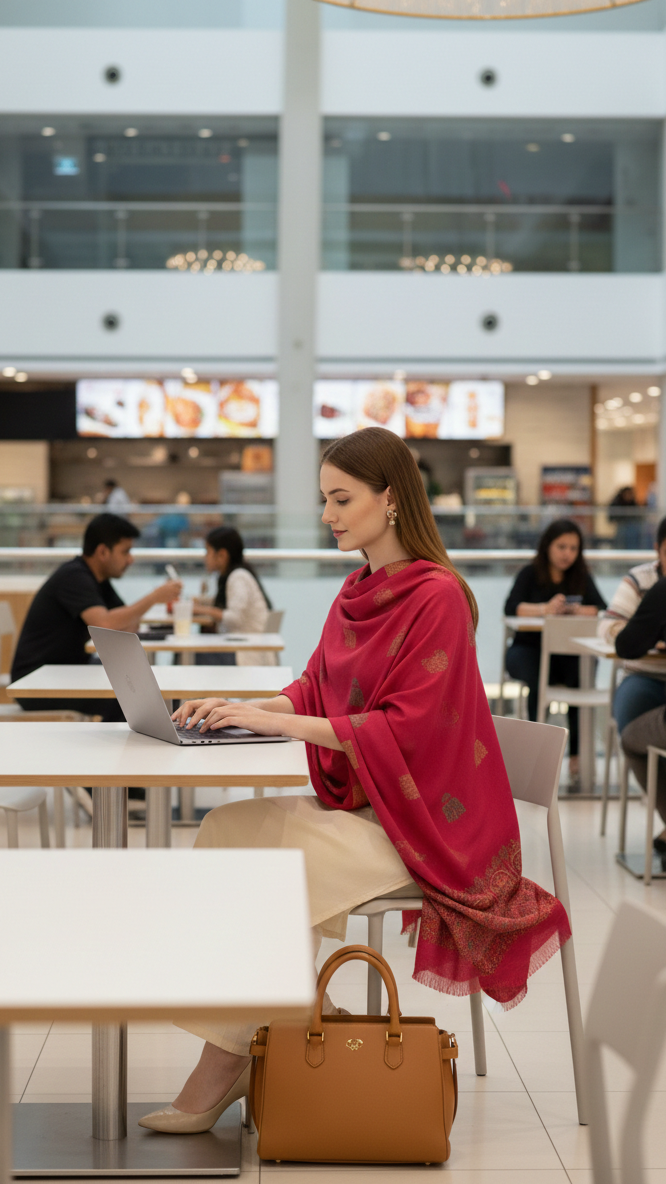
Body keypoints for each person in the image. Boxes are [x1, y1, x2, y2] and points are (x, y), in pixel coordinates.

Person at [139, 427, 571, 1135]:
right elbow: (314, 687)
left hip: (428, 828)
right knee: (223, 829)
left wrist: (272, 722)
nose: (329, 514)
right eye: (324, 500)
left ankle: (223, 1067)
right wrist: (240, 711)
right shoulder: (357, 588)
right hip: (379, 809)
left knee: (281, 870)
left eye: (342, 498)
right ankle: (287, 1017)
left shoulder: (437, 598)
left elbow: (403, 728)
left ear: (390, 498)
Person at [11, 512, 182, 720]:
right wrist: (154, 597)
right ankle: (122, 751)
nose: (131, 559)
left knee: (141, 683)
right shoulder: (74, 576)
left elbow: (128, 624)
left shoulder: (98, 581)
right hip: (36, 681)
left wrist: (126, 617)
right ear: (102, 552)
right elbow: (106, 623)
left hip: (69, 671)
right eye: (125, 551)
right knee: (130, 696)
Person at [504, 518, 606, 785]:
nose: (567, 554)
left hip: (568, 653)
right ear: (548, 546)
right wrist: (544, 609)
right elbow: (512, 607)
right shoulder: (529, 573)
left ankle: (576, 759)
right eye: (562, 546)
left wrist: (573, 610)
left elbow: (599, 608)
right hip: (527, 649)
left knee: (581, 678)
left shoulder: (581, 575)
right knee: (539, 682)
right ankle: (536, 759)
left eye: (573, 548)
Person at [598, 516, 666, 734]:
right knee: (631, 716)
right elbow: (607, 627)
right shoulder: (640, 579)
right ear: (657, 550)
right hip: (645, 674)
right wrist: (649, 637)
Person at [614, 575, 666, 853]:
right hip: (646, 678)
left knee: (633, 738)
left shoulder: (662, 587)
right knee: (634, 702)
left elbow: (627, 645)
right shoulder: (637, 579)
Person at [193, 526, 273, 667]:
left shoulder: (238, 577)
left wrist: (199, 610)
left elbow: (234, 618)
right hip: (243, 647)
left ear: (222, 555)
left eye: (208, 552)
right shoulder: (237, 574)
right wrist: (203, 602)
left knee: (189, 654)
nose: (205, 557)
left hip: (245, 654)